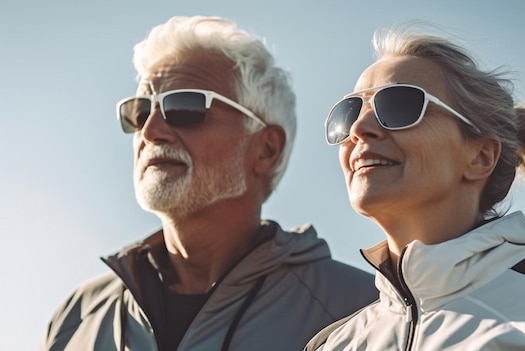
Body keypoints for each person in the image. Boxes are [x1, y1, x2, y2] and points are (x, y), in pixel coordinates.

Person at [41, 16, 377, 351]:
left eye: (185, 106)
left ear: (265, 149)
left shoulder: (363, 314)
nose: (151, 130)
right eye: (141, 111)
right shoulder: (77, 317)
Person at [307, 23, 525, 351]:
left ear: (480, 155)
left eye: (399, 105)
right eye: (349, 112)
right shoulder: (331, 344)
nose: (359, 129)